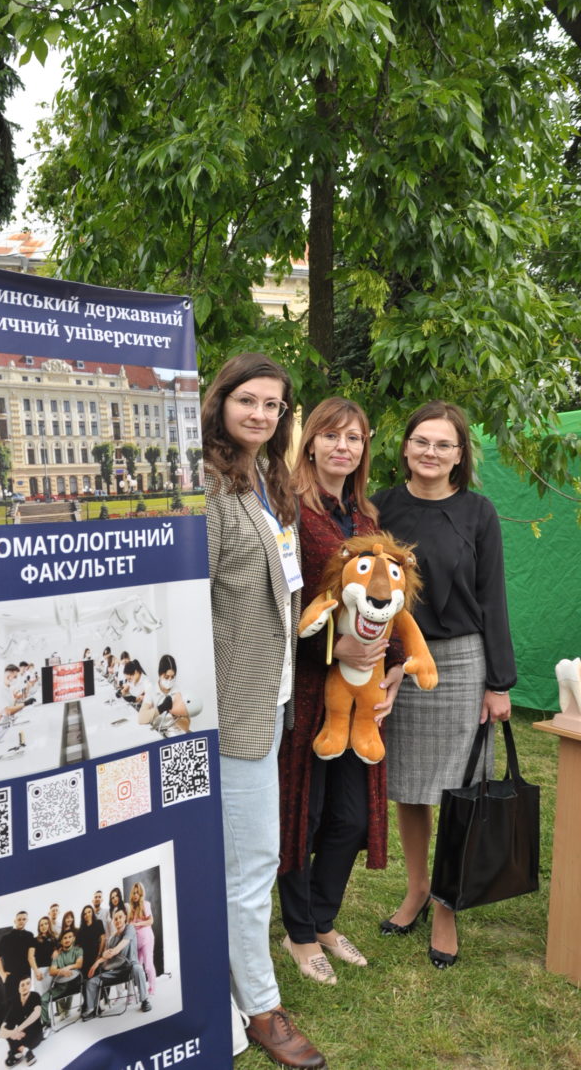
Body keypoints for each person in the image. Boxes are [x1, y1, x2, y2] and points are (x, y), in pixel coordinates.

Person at [202, 352, 326, 1069]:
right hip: (231, 704)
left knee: (238, 859)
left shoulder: (267, 481)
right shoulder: (212, 486)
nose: (260, 413)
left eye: (273, 405)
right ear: (220, 401)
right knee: (253, 864)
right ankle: (260, 1007)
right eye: (248, 400)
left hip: (272, 694)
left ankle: (225, 988)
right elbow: (194, 600)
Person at [373, 400, 515, 970]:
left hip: (460, 663)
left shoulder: (478, 513)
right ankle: (415, 890)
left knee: (458, 793)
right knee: (409, 786)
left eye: (444, 444)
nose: (430, 452)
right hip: (398, 661)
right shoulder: (379, 507)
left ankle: (445, 906)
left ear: (459, 456)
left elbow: (493, 598)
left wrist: (499, 683)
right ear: (406, 446)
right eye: (422, 441)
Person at [277, 398, 406, 985]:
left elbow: (390, 603)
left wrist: (395, 667)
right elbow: (282, 607)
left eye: (354, 438)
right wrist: (333, 650)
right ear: (310, 442)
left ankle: (323, 919)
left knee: (350, 818)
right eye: (331, 435)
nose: (343, 447)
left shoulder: (368, 521)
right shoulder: (290, 511)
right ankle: (300, 934)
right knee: (302, 815)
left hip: (362, 696)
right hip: (309, 690)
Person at [82, 907, 151, 1019]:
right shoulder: (112, 939)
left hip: (131, 966)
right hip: (118, 971)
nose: (118, 920)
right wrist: (96, 963)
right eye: (115, 918)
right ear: (113, 921)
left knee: (138, 968)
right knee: (91, 982)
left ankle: (145, 1001)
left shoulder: (130, 928)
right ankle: (92, 1009)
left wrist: (108, 953)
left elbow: (119, 947)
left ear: (125, 918)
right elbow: (106, 958)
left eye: (120, 917)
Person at [138, 654, 201, 735]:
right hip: (157, 732)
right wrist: (161, 708)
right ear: (160, 674)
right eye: (166, 677)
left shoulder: (179, 693)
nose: (169, 680)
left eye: (172, 677)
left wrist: (174, 712)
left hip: (176, 733)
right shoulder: (151, 691)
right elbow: (141, 719)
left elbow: (186, 727)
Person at [40, 928, 83, 1028]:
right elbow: (52, 971)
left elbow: (79, 964)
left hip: (75, 984)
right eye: (65, 938)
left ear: (73, 938)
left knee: (88, 984)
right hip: (61, 987)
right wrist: (61, 971)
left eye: (69, 937)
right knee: (43, 999)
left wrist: (68, 967)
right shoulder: (58, 955)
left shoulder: (78, 950)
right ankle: (46, 1023)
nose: (67, 939)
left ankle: (85, 1009)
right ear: (61, 941)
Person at [0, 974, 42, 1067]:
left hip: (35, 1034)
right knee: (8, 1030)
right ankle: (25, 1051)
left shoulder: (35, 996)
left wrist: (18, 1029)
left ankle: (15, 1052)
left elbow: (37, 1013)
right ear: (18, 988)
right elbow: (1, 1033)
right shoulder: (14, 1002)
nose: (25, 987)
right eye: (22, 985)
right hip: (20, 1035)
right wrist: (12, 1033)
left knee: (13, 1037)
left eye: (28, 983)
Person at [0, 912, 35, 1002]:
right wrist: (2, 974)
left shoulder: (30, 936)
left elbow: (32, 956)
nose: (21, 921)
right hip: (11, 977)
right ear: (15, 921)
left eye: (24, 919)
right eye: (19, 919)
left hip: (26, 976)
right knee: (12, 1003)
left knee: (26, 1002)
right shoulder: (6, 938)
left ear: (27, 920)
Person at [128, 881, 156, 996]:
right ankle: (142, 991)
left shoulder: (145, 904)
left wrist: (138, 924)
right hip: (136, 942)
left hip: (146, 939)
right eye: (134, 893)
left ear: (141, 894)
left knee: (148, 966)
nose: (135, 895)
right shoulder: (131, 908)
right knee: (137, 968)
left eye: (137, 893)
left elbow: (151, 921)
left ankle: (152, 988)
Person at [75, 904, 106, 980]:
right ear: (83, 916)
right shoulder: (81, 930)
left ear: (92, 912)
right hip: (85, 958)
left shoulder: (99, 923)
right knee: (86, 979)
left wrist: (99, 955)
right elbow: (77, 946)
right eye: (85, 913)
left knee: (97, 978)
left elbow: (103, 938)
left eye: (89, 912)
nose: (87, 915)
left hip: (96, 955)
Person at [29, 916, 57, 996]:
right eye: (41, 925)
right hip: (40, 970)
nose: (44, 926)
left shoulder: (54, 939)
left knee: (50, 997)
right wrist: (36, 971)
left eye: (46, 924)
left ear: (49, 925)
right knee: (40, 996)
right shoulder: (34, 940)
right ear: (39, 927)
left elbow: (60, 949)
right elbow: (30, 957)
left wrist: (57, 950)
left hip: (51, 970)